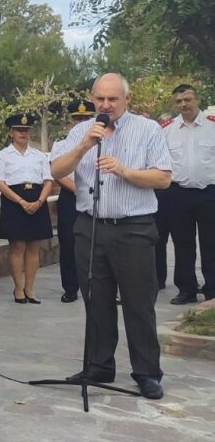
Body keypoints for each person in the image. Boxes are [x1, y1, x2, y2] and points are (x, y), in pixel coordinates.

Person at [50, 72, 171, 400]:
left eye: (113, 99)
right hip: (90, 228)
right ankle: (99, 365)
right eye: (100, 99)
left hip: (133, 228)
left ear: (127, 99)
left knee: (138, 304)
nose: (106, 105)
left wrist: (125, 171)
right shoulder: (80, 131)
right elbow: (56, 170)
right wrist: (85, 145)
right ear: (92, 98)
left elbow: (162, 178)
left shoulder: (148, 130)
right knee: (96, 302)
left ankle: (147, 372)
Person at [160, 84, 215, 304]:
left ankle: (212, 289)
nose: (184, 104)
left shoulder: (212, 127)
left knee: (211, 243)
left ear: (197, 100)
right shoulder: (167, 129)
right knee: (182, 244)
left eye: (188, 99)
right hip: (178, 194)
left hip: (209, 193)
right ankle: (186, 289)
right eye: (179, 101)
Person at [0, 114, 54, 304]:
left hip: (37, 200)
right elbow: (0, 183)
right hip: (14, 200)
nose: (23, 133)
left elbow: (48, 180)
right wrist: (21, 202)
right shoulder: (3, 155)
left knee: (34, 246)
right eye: (19, 130)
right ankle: (18, 288)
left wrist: (40, 201)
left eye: (26, 130)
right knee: (18, 246)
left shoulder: (39, 155)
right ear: (11, 132)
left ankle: (30, 288)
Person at [55, 100, 96, 303]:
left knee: (97, 244)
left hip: (96, 199)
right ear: (71, 120)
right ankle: (70, 287)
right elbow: (58, 174)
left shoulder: (101, 140)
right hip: (70, 198)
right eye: (77, 118)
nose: (81, 122)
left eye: (86, 118)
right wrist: (80, 190)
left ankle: (100, 287)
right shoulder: (61, 144)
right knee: (69, 243)